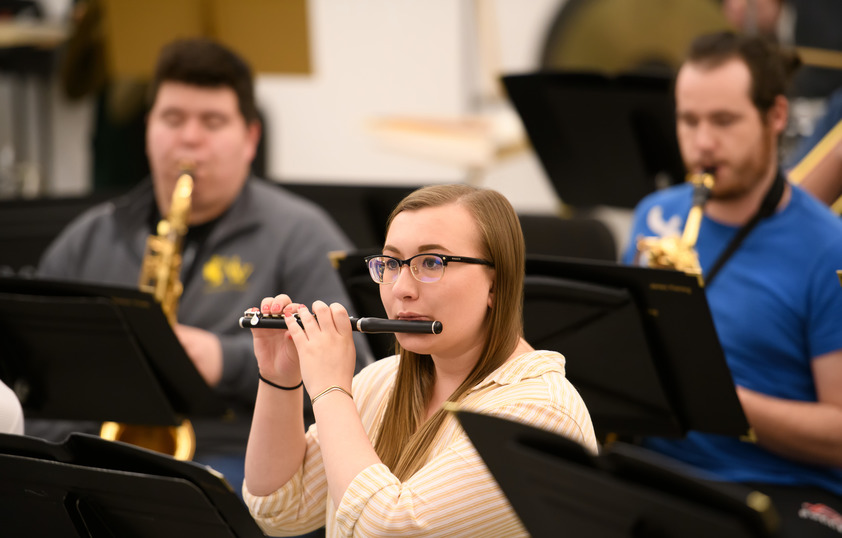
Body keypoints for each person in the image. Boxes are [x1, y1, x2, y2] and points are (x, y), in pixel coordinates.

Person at [27, 38, 371, 495]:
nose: (190, 138)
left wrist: (224, 360)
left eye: (212, 122)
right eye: (173, 119)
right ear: (148, 127)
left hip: (233, 457)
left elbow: (358, 376)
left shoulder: (301, 234)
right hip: (94, 448)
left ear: (250, 139)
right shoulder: (91, 234)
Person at [242, 184, 598, 536]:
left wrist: (331, 388)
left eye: (431, 263)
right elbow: (279, 510)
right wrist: (279, 377)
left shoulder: (541, 414)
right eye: (391, 264)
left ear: (496, 283)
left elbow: (385, 530)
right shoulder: (380, 381)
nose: (401, 288)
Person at [623, 31, 842, 537]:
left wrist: (713, 396)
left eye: (723, 121)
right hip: (658, 468)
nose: (702, 143)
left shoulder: (829, 248)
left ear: (776, 116)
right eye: (688, 120)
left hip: (780, 488)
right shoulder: (654, 215)